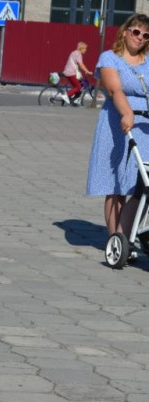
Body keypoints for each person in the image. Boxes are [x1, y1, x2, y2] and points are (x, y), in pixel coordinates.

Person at [87, 13, 149, 242]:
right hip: (118, 122)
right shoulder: (110, 58)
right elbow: (114, 90)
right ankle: (116, 239)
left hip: (145, 127)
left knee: (142, 184)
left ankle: (126, 236)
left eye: (145, 35)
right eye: (136, 32)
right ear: (125, 32)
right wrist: (127, 113)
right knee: (116, 185)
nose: (140, 37)